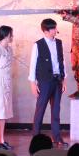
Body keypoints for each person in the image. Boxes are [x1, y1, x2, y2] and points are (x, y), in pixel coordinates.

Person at [28, 18, 66, 146]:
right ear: (45, 31)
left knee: (56, 110)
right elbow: (33, 65)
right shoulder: (38, 45)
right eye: (53, 28)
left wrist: (64, 79)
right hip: (44, 81)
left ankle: (57, 137)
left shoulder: (59, 43)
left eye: (55, 27)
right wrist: (33, 83)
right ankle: (36, 137)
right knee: (40, 109)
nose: (56, 30)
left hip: (57, 80)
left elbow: (62, 61)